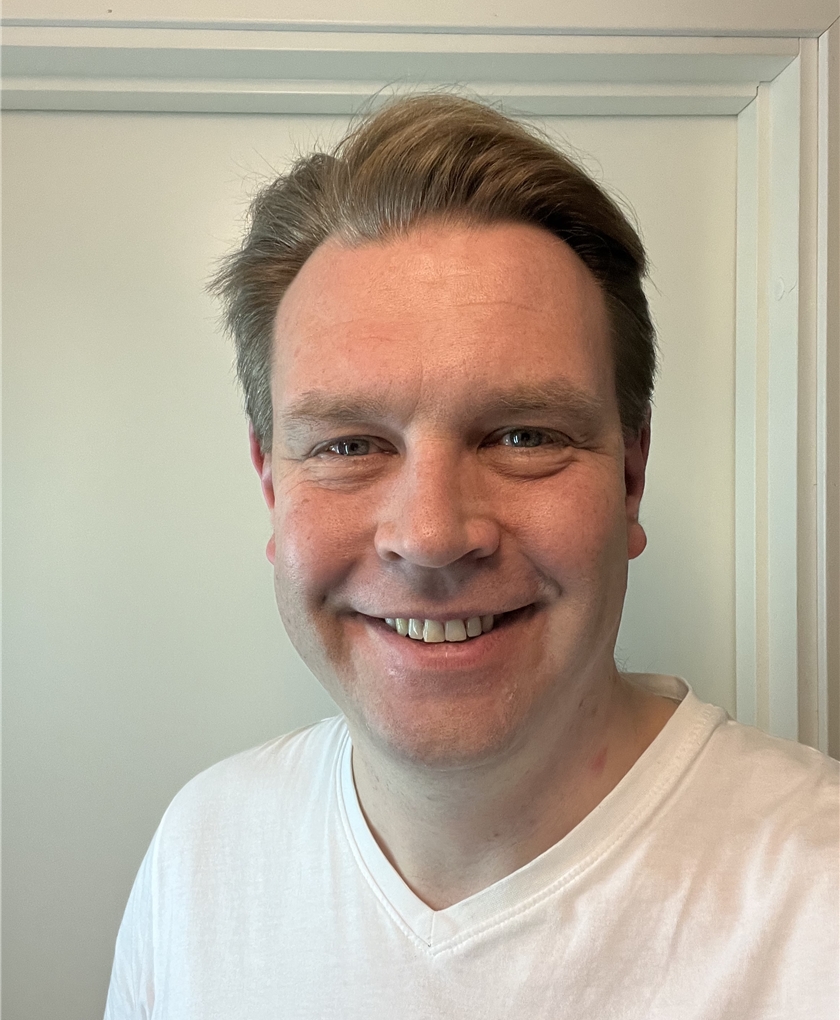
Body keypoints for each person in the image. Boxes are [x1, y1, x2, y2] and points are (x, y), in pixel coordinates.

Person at [104, 94, 838, 1019]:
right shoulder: (200, 854)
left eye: (524, 435)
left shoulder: (818, 898)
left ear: (630, 478)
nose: (431, 535)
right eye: (348, 445)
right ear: (271, 486)